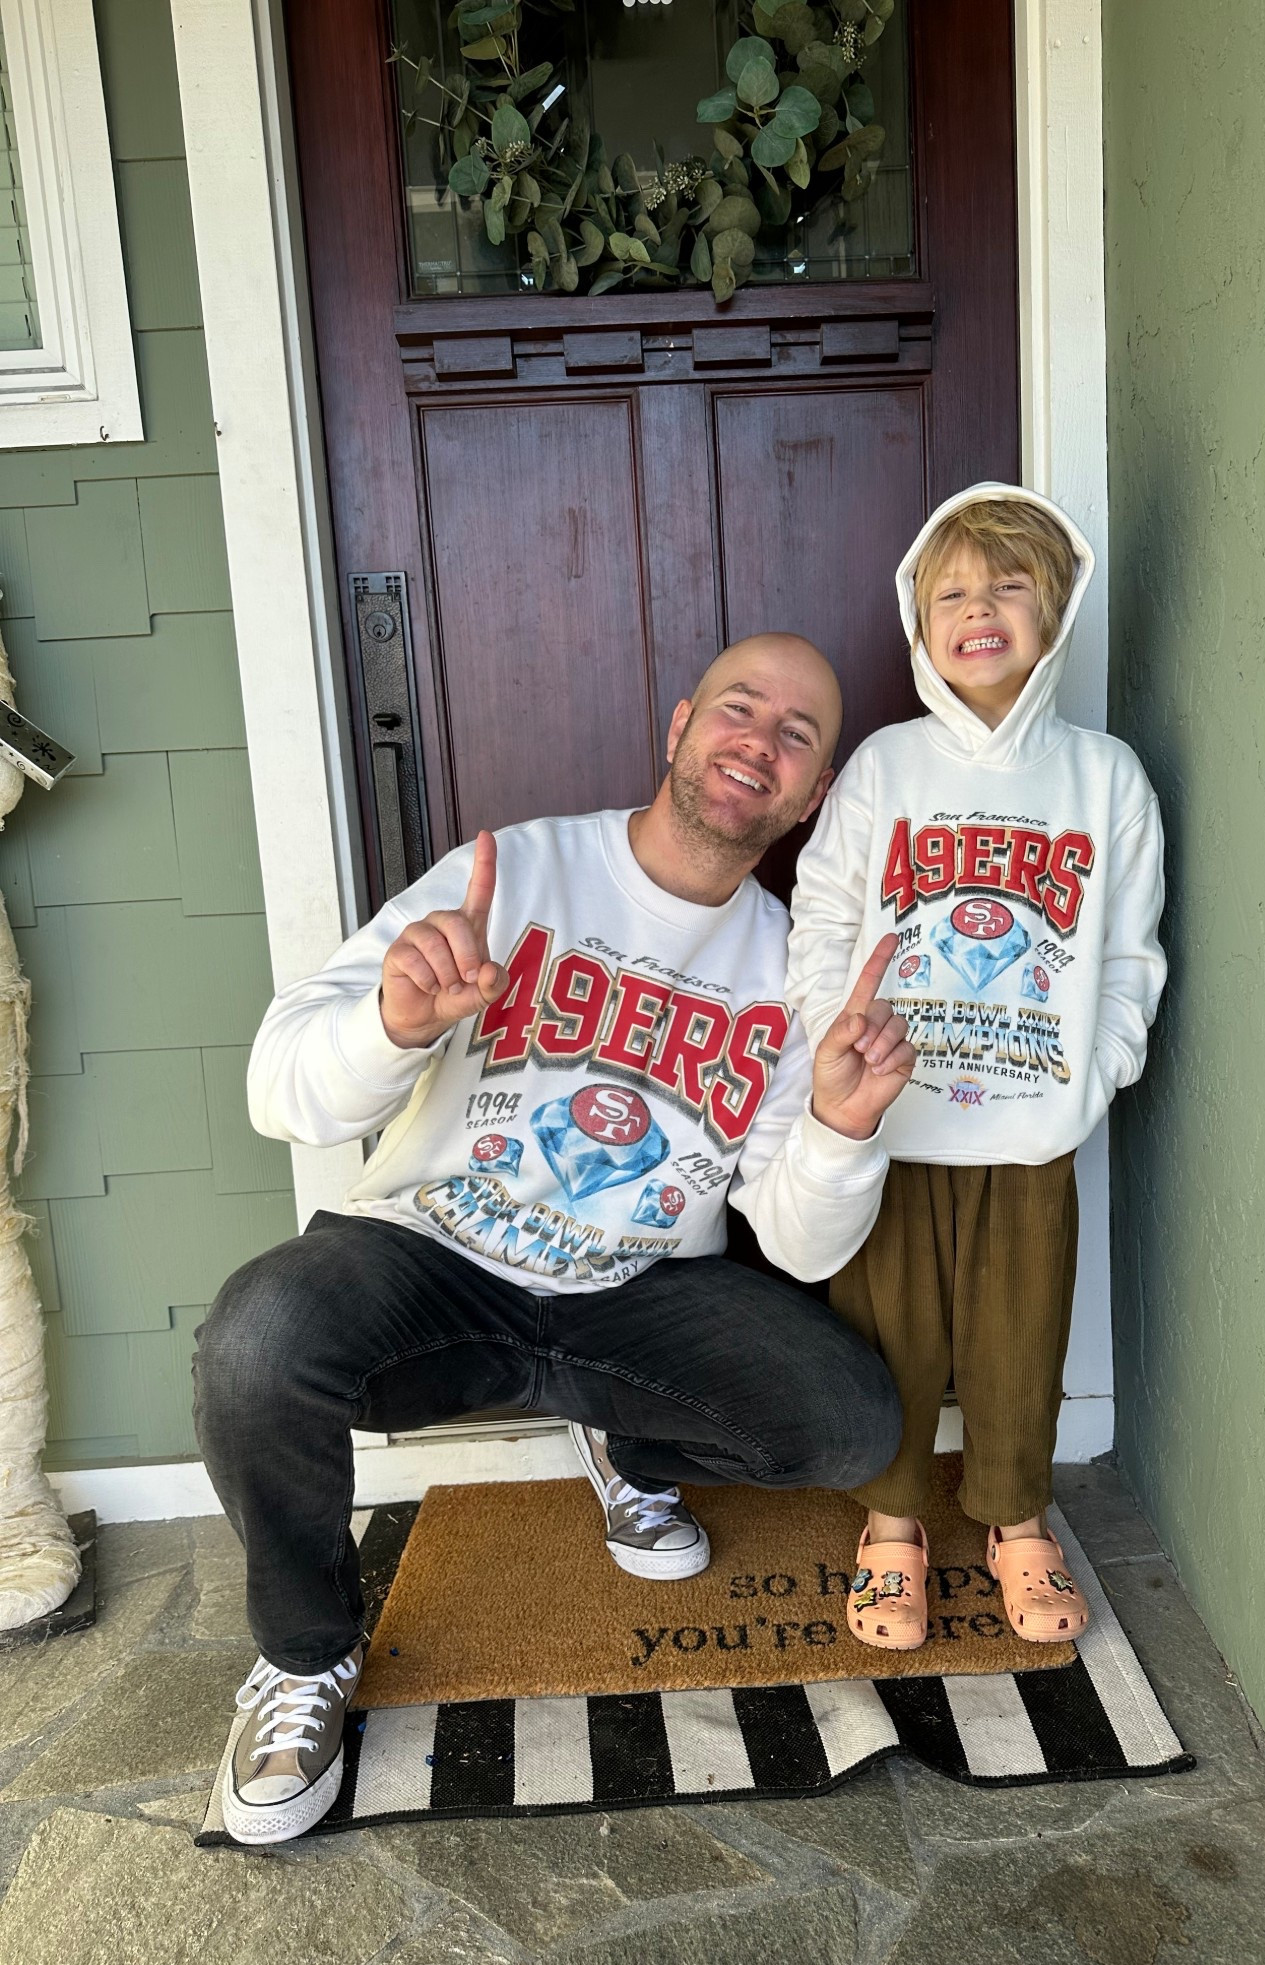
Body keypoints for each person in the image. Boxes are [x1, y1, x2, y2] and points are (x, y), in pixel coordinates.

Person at [195, 633, 915, 1844]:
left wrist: (842, 1126)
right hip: (432, 1260)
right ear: (680, 725)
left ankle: (622, 1437)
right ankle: (305, 1656)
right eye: (742, 710)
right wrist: (394, 1025)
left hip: (630, 1289)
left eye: (800, 736)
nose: (762, 743)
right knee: (255, 1340)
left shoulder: (792, 970)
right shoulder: (507, 872)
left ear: (816, 793)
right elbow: (284, 1090)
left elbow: (797, 1245)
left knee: (853, 1421)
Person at [785, 485, 1166, 1652]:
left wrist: (1091, 1074)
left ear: (1054, 615)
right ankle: (891, 1525)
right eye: (952, 589)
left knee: (1020, 1333)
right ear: (918, 616)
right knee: (888, 1329)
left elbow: (1128, 950)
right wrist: (826, 1048)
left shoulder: (1105, 777)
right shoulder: (884, 769)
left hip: (1029, 1122)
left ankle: (1016, 1518)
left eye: (1009, 585)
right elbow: (823, 916)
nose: (979, 608)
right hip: (893, 1115)